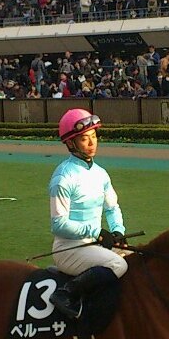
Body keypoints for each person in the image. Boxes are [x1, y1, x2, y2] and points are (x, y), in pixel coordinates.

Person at [48, 109, 127, 322]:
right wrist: (97, 231)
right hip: (69, 248)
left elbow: (112, 208)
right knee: (118, 265)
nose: (92, 143)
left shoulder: (101, 173)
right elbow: (58, 224)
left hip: (94, 245)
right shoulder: (63, 177)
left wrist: (118, 231)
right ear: (71, 143)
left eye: (94, 137)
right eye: (85, 139)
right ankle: (65, 293)